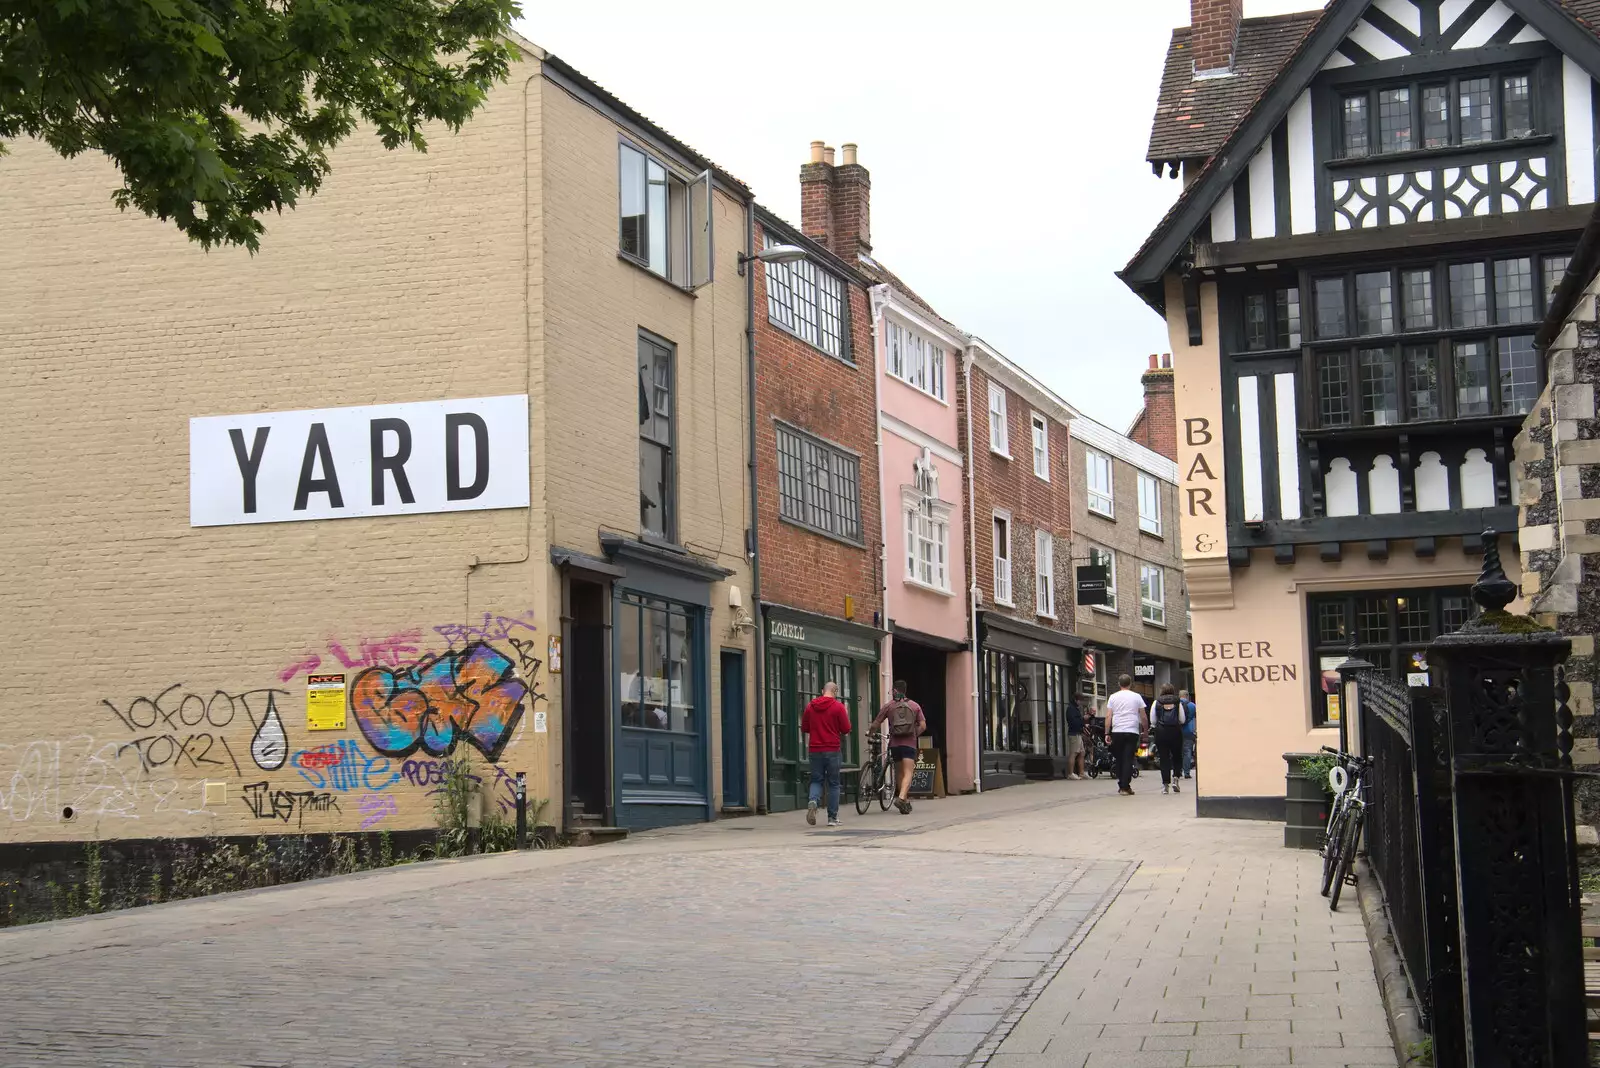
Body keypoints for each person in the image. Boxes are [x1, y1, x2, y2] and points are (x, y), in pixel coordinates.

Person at [800, 681, 852, 827]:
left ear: (823, 690)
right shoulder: (838, 707)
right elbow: (846, 728)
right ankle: (832, 818)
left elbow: (804, 727)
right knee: (834, 783)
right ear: (835, 691)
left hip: (815, 749)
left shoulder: (811, 706)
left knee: (816, 780)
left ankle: (813, 801)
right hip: (833, 749)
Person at [870, 679, 925, 814]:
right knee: (908, 772)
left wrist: (870, 732)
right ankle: (901, 798)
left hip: (894, 744)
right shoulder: (914, 706)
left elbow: (876, 723)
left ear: (894, 691)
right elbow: (923, 725)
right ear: (905, 690)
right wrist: (914, 735)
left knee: (899, 773)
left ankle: (904, 803)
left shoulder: (889, 706)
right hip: (909, 744)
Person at [1103, 674, 1147, 796]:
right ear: (1130, 684)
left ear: (1119, 684)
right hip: (1132, 730)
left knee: (1119, 758)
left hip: (1117, 730)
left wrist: (1107, 732)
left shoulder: (1113, 697)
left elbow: (1108, 716)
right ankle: (1125, 786)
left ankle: (1122, 784)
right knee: (1128, 758)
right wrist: (1145, 730)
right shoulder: (1137, 697)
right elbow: (1143, 716)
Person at [1150, 683, 1187, 794]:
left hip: (1161, 732)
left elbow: (1153, 720)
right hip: (1175, 731)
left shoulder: (1156, 702)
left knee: (1164, 758)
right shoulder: (1177, 701)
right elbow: (1182, 719)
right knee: (1177, 756)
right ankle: (1176, 778)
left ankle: (1165, 785)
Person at [1065, 696, 1086, 780]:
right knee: (1074, 753)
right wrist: (1082, 719)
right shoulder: (1071, 709)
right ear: (1075, 700)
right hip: (1073, 733)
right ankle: (1070, 773)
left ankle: (1081, 773)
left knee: (1082, 752)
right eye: (1079, 700)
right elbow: (1073, 721)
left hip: (1078, 733)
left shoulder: (1075, 709)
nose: (1080, 702)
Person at [1180, 689, 1197, 779]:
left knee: (1178, 751)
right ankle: (1186, 772)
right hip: (1189, 731)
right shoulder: (1192, 706)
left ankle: (1178, 771)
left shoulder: (1176, 704)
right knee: (1187, 751)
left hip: (1177, 731)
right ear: (1187, 696)